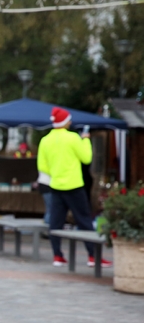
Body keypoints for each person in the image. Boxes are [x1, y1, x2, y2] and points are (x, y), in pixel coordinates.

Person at [38, 107, 112, 268]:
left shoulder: (45, 140)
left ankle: (57, 255)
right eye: (69, 120)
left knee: (56, 222)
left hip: (56, 185)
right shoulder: (73, 138)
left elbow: (42, 166)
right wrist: (85, 139)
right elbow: (86, 158)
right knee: (84, 220)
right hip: (74, 185)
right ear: (65, 122)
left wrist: (57, 172)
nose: (71, 122)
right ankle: (93, 256)